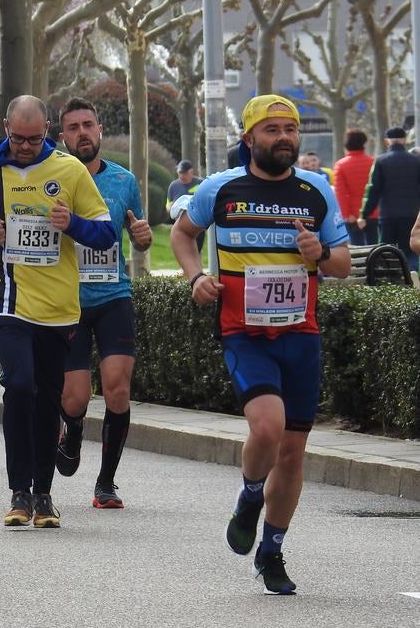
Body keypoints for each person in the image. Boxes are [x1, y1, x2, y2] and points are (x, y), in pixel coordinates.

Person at [170, 94, 350, 595]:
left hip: (301, 336)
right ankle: (251, 494)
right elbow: (183, 236)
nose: (284, 138)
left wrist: (320, 251)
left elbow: (340, 264)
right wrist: (196, 277)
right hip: (243, 333)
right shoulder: (220, 189)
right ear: (249, 138)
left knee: (292, 454)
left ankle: (271, 551)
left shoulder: (317, 189)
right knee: (267, 430)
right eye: (271, 130)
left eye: (289, 129)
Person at [0, 95, 113, 526]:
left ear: (48, 132)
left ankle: (43, 495)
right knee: (19, 385)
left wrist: (71, 225)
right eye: (17, 138)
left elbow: (105, 233)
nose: (24, 146)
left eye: (34, 139)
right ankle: (18, 491)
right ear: (5, 125)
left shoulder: (69, 170)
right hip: (5, 301)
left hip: (58, 308)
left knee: (47, 401)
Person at [55, 97, 154, 510]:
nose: (82, 132)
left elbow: (138, 232)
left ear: (99, 131)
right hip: (68, 300)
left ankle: (106, 484)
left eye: (88, 125)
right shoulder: (52, 178)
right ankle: (72, 429)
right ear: (62, 137)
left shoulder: (124, 181)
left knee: (117, 389)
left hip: (114, 293)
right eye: (73, 127)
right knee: (75, 398)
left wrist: (142, 237)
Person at [359, 126, 420, 270]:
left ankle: (390, 281)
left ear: (387, 141)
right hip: (411, 213)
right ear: (405, 140)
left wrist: (364, 214)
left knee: (386, 251)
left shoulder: (381, 161)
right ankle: (413, 282)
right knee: (410, 250)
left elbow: (373, 189)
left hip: (388, 215)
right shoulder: (416, 161)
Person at [332, 129, 377, 245]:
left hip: (352, 214)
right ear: (364, 143)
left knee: (357, 248)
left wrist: (346, 214)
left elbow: (340, 193)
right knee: (375, 246)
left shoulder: (341, 165)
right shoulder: (374, 162)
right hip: (374, 212)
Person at [168, 159, 203, 252]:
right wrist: (170, 209)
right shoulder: (173, 185)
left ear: (191, 172)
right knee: (183, 252)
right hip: (179, 224)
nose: (182, 176)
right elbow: (168, 203)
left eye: (184, 173)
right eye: (180, 173)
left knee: (196, 251)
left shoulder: (201, 183)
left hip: (197, 224)